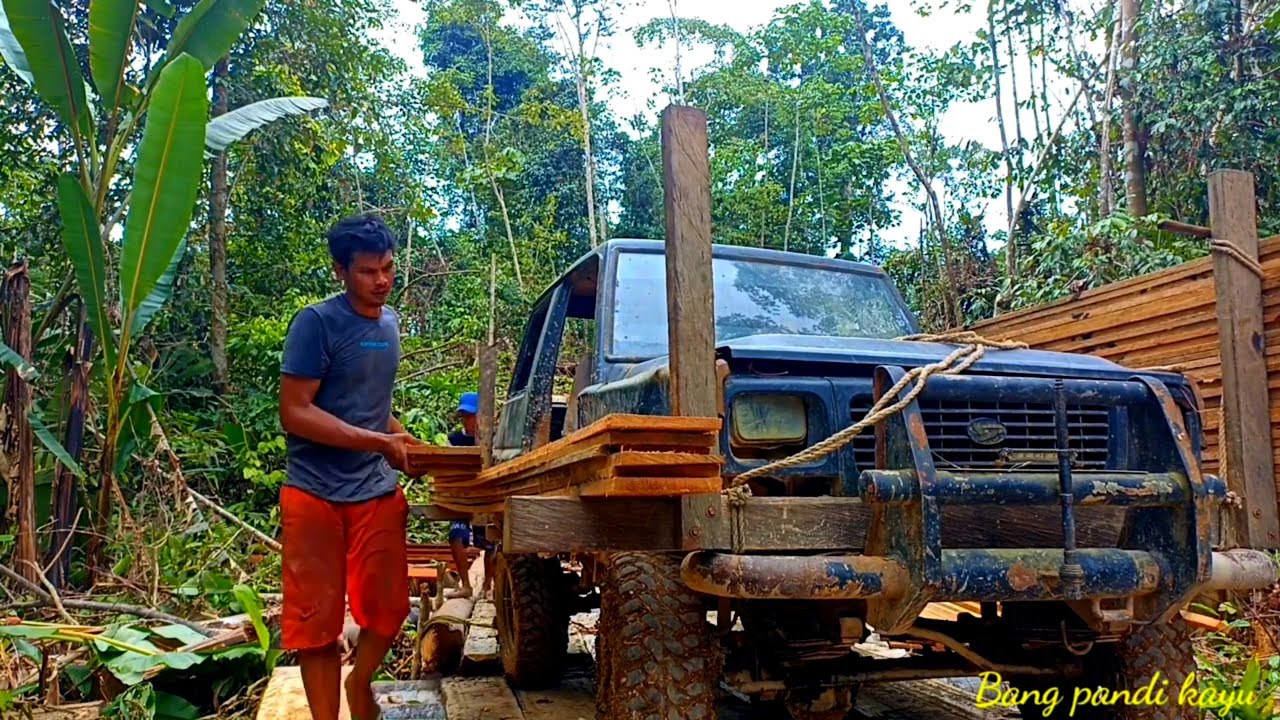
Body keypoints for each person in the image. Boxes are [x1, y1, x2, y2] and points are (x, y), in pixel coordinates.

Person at [278, 213, 423, 720]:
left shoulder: (390, 324)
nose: (381, 280)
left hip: (375, 490)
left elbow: (369, 406)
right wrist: (379, 442)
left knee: (389, 609)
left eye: (388, 268)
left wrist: (402, 439)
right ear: (340, 270)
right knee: (315, 623)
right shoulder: (315, 323)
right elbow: (295, 411)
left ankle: (359, 682)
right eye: (367, 271)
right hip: (313, 492)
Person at [445, 392, 495, 599]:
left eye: (471, 416)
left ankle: (487, 585)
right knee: (456, 536)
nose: (467, 420)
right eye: (465, 416)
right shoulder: (453, 440)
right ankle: (466, 585)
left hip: (486, 497)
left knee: (491, 541)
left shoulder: (492, 439)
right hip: (461, 497)